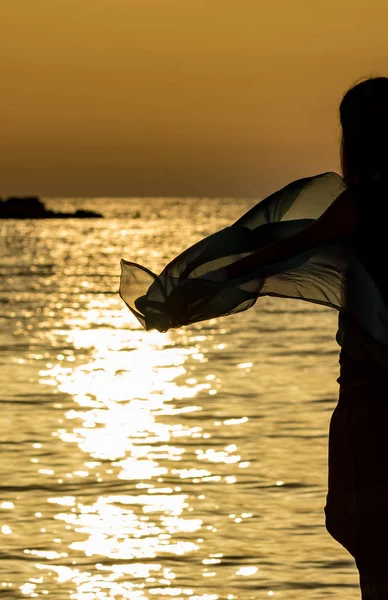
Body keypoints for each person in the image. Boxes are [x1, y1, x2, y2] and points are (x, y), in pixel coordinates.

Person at [120, 75, 388, 598]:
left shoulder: (365, 202)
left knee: (374, 541)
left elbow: (275, 252)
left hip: (371, 398)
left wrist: (204, 284)